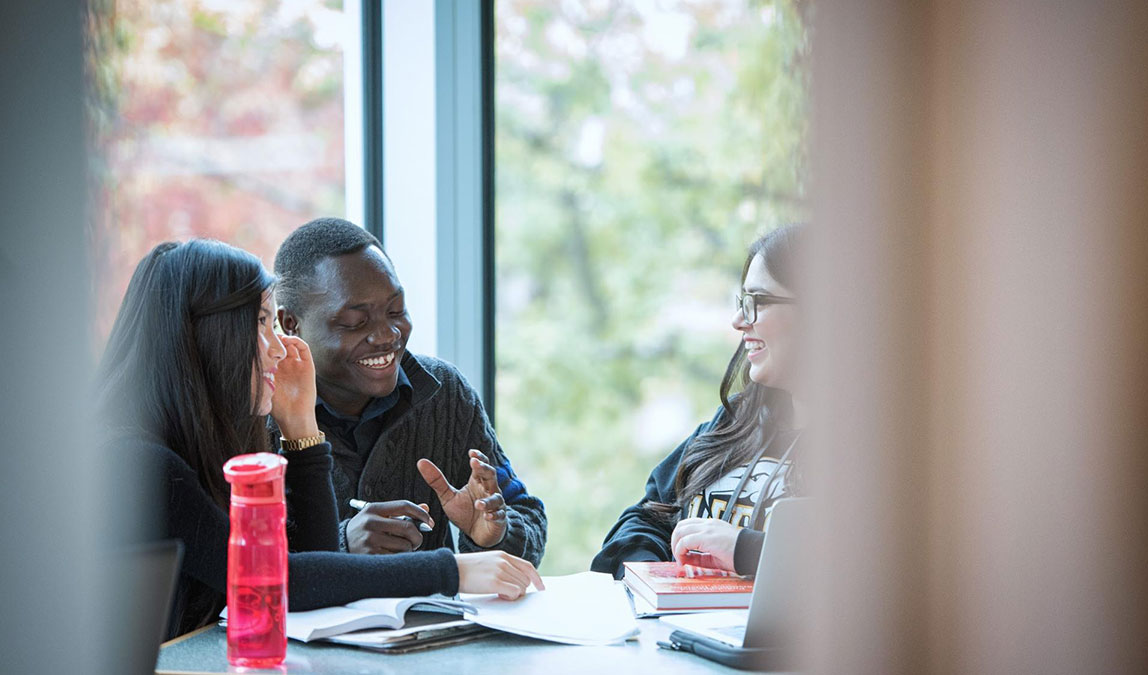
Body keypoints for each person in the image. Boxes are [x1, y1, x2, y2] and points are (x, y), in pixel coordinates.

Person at [101, 240, 542, 639]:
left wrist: (302, 433)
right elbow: (278, 581)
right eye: (260, 323)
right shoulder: (137, 461)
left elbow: (304, 591)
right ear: (207, 338)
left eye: (395, 311)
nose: (276, 347)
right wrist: (450, 570)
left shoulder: (223, 435)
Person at [272, 218, 547, 565]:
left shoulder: (443, 394)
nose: (387, 335)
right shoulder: (255, 413)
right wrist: (343, 545)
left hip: (432, 621)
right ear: (290, 324)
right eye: (356, 322)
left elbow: (527, 514)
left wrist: (495, 533)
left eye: (395, 310)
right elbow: (231, 570)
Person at [591, 225, 804, 578]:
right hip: (681, 631)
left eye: (759, 302)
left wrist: (744, 550)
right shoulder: (736, 421)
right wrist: (658, 576)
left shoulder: (875, 451)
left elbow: (869, 567)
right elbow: (645, 517)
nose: (739, 321)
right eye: (742, 302)